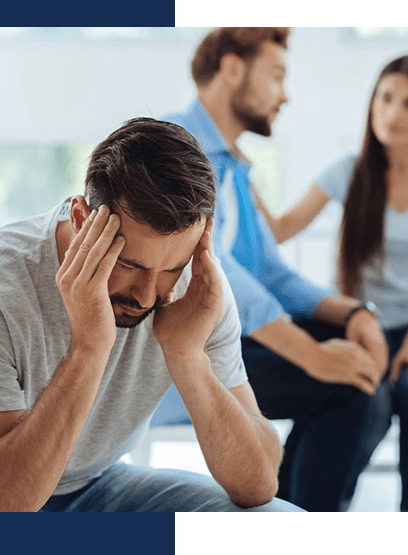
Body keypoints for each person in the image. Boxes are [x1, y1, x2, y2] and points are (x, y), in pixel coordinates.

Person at [0, 117, 303, 512]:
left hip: (97, 485)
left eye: (171, 268)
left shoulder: (198, 285)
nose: (145, 295)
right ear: (80, 220)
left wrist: (188, 357)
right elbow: (2, 505)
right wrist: (89, 347)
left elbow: (258, 484)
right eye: (129, 264)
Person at [165, 27, 389, 511]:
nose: (284, 95)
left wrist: (354, 315)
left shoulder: (235, 172)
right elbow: (210, 267)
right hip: (184, 354)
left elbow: (272, 273)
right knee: (349, 389)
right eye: (277, 75)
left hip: (235, 343)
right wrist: (309, 352)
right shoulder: (173, 148)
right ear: (231, 69)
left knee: (360, 377)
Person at [254, 55, 408, 511]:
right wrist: (240, 175)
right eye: (385, 97)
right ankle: (309, 500)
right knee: (364, 410)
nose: (392, 113)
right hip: (361, 326)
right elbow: (278, 230)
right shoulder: (348, 171)